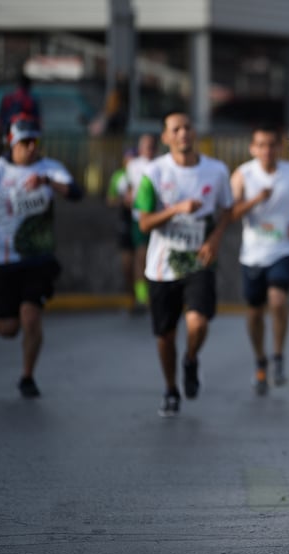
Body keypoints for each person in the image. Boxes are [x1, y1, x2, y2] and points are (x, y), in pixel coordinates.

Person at [134, 112, 233, 417]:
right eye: (175, 129)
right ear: (165, 137)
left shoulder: (216, 171)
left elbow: (227, 209)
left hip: (198, 262)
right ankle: (170, 388)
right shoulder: (153, 172)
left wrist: (215, 237)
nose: (183, 134)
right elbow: (144, 222)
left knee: (198, 322)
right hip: (162, 266)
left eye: (188, 127)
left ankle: (190, 359)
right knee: (165, 335)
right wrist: (176, 209)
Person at [0, 115, 82, 397]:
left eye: (35, 141)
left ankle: (27, 376)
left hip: (38, 258)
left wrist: (47, 182)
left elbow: (75, 193)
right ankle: (18, 339)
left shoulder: (50, 168)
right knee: (7, 328)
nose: (31, 147)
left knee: (30, 316)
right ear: (11, 142)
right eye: (25, 142)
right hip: (3, 258)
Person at [230, 124, 289, 395]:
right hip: (253, 252)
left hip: (283, 249)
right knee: (254, 311)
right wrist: (255, 200)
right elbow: (230, 214)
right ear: (253, 148)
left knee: (277, 300)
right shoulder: (242, 174)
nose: (266, 150)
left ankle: (277, 356)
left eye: (271, 145)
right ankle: (260, 359)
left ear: (279, 147)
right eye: (261, 145)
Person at [125, 134, 158, 311]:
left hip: (159, 218)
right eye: (145, 145)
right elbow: (130, 189)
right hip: (139, 217)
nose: (148, 149)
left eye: (151, 145)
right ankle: (142, 297)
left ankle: (154, 295)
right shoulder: (133, 166)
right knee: (141, 256)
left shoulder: (161, 164)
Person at [105, 147, 138, 309]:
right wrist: (122, 201)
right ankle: (132, 296)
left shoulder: (144, 173)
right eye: (128, 158)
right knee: (127, 264)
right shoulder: (119, 177)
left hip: (141, 221)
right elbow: (110, 200)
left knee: (142, 261)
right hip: (125, 221)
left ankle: (143, 297)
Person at [0, 73, 41, 143]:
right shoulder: (30, 101)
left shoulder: (8, 99)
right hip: (23, 137)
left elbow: (0, 120)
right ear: (28, 86)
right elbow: (37, 121)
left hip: (7, 134)